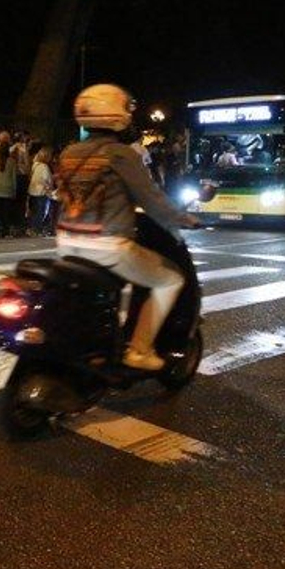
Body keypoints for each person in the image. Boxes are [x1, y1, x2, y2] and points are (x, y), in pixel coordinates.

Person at [53, 83, 198, 371]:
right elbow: (153, 200)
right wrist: (184, 218)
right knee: (170, 280)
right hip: (108, 246)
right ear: (117, 114)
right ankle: (140, 350)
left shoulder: (69, 153)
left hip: (66, 242)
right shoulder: (121, 154)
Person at [27, 145, 55, 236]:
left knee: (34, 212)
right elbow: (47, 180)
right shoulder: (44, 167)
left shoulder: (35, 165)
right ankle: (37, 230)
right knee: (40, 213)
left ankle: (32, 229)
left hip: (32, 191)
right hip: (41, 193)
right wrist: (50, 189)